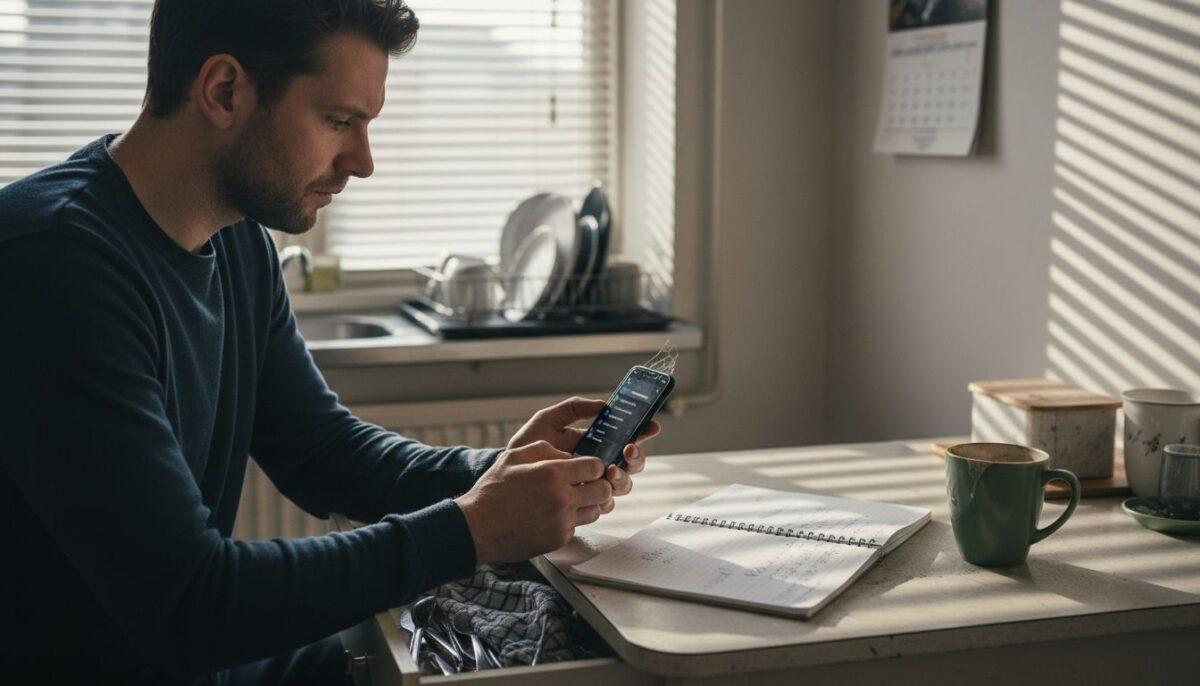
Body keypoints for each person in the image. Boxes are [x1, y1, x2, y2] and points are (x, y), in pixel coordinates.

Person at [0, 1, 658, 684]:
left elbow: (323, 451)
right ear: (224, 90)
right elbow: (188, 599)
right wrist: (472, 530)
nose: (363, 163)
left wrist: (501, 474)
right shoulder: (50, 264)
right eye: (339, 121)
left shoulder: (238, 244)